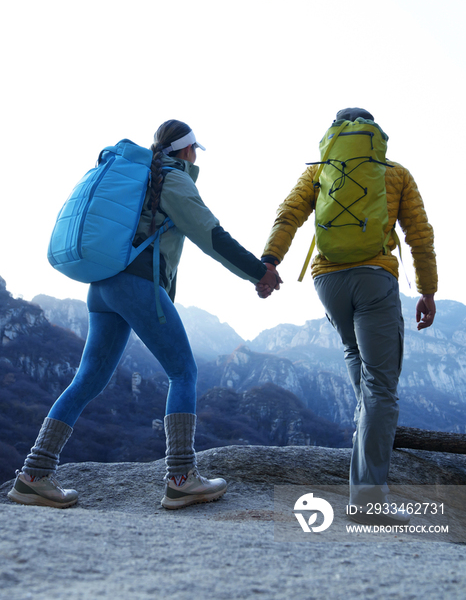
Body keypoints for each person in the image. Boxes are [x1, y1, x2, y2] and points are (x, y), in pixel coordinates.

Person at [8, 120, 281, 510]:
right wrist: (259, 272)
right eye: (194, 151)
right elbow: (212, 236)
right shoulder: (173, 180)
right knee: (183, 372)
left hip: (101, 286)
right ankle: (182, 477)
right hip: (136, 286)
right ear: (187, 151)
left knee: (87, 379)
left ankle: (33, 476)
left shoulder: (141, 179)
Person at [257, 107, 437, 521]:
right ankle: (369, 500)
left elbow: (289, 213)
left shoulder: (320, 171)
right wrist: (427, 291)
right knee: (382, 388)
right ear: (375, 136)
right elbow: (419, 234)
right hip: (374, 278)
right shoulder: (395, 173)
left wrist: (270, 261)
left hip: (328, 282)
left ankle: (364, 469)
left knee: (359, 364)